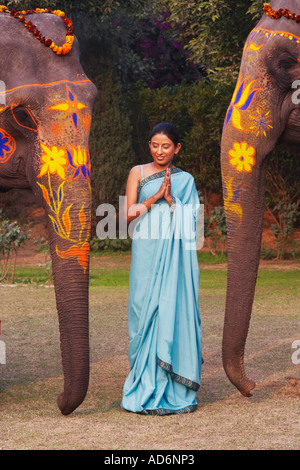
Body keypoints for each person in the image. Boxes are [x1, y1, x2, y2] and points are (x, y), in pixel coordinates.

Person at [121, 122, 202, 415]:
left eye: (166, 146)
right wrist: (155, 198)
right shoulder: (138, 173)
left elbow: (194, 224)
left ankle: (172, 389)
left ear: (176, 148)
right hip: (145, 251)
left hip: (174, 260)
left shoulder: (186, 180)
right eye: (155, 145)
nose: (159, 151)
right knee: (142, 312)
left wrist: (174, 202)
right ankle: (143, 386)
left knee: (170, 309)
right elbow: (126, 216)